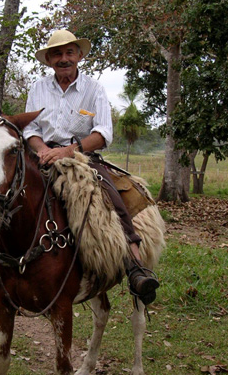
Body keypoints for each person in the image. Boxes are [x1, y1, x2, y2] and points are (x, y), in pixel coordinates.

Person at [24, 29, 159, 306]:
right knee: (11, 194)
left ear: (79, 56)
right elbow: (30, 128)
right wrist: (43, 150)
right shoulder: (38, 88)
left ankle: (134, 262)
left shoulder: (94, 88)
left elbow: (103, 133)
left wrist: (68, 150)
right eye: (57, 54)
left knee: (111, 193)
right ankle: (5, 273)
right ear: (49, 60)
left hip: (82, 157)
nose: (64, 58)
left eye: (69, 53)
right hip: (42, 154)